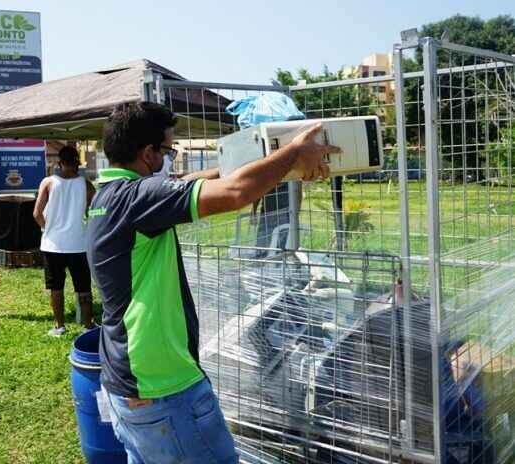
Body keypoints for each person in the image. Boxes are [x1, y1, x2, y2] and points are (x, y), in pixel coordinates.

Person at [86, 102, 339, 464]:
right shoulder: (138, 199)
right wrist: (295, 152)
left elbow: (185, 183)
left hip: (126, 380)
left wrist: (276, 168)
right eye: (168, 150)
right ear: (147, 153)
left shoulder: (109, 197)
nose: (169, 159)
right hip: (163, 386)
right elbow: (235, 193)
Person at [33, 146, 96, 337]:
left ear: (59, 163)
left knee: (56, 288)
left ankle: (59, 327)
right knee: (83, 288)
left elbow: (36, 213)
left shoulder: (48, 182)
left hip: (53, 245)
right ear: (77, 163)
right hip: (78, 244)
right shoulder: (86, 185)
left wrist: (47, 228)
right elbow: (94, 213)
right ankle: (88, 326)